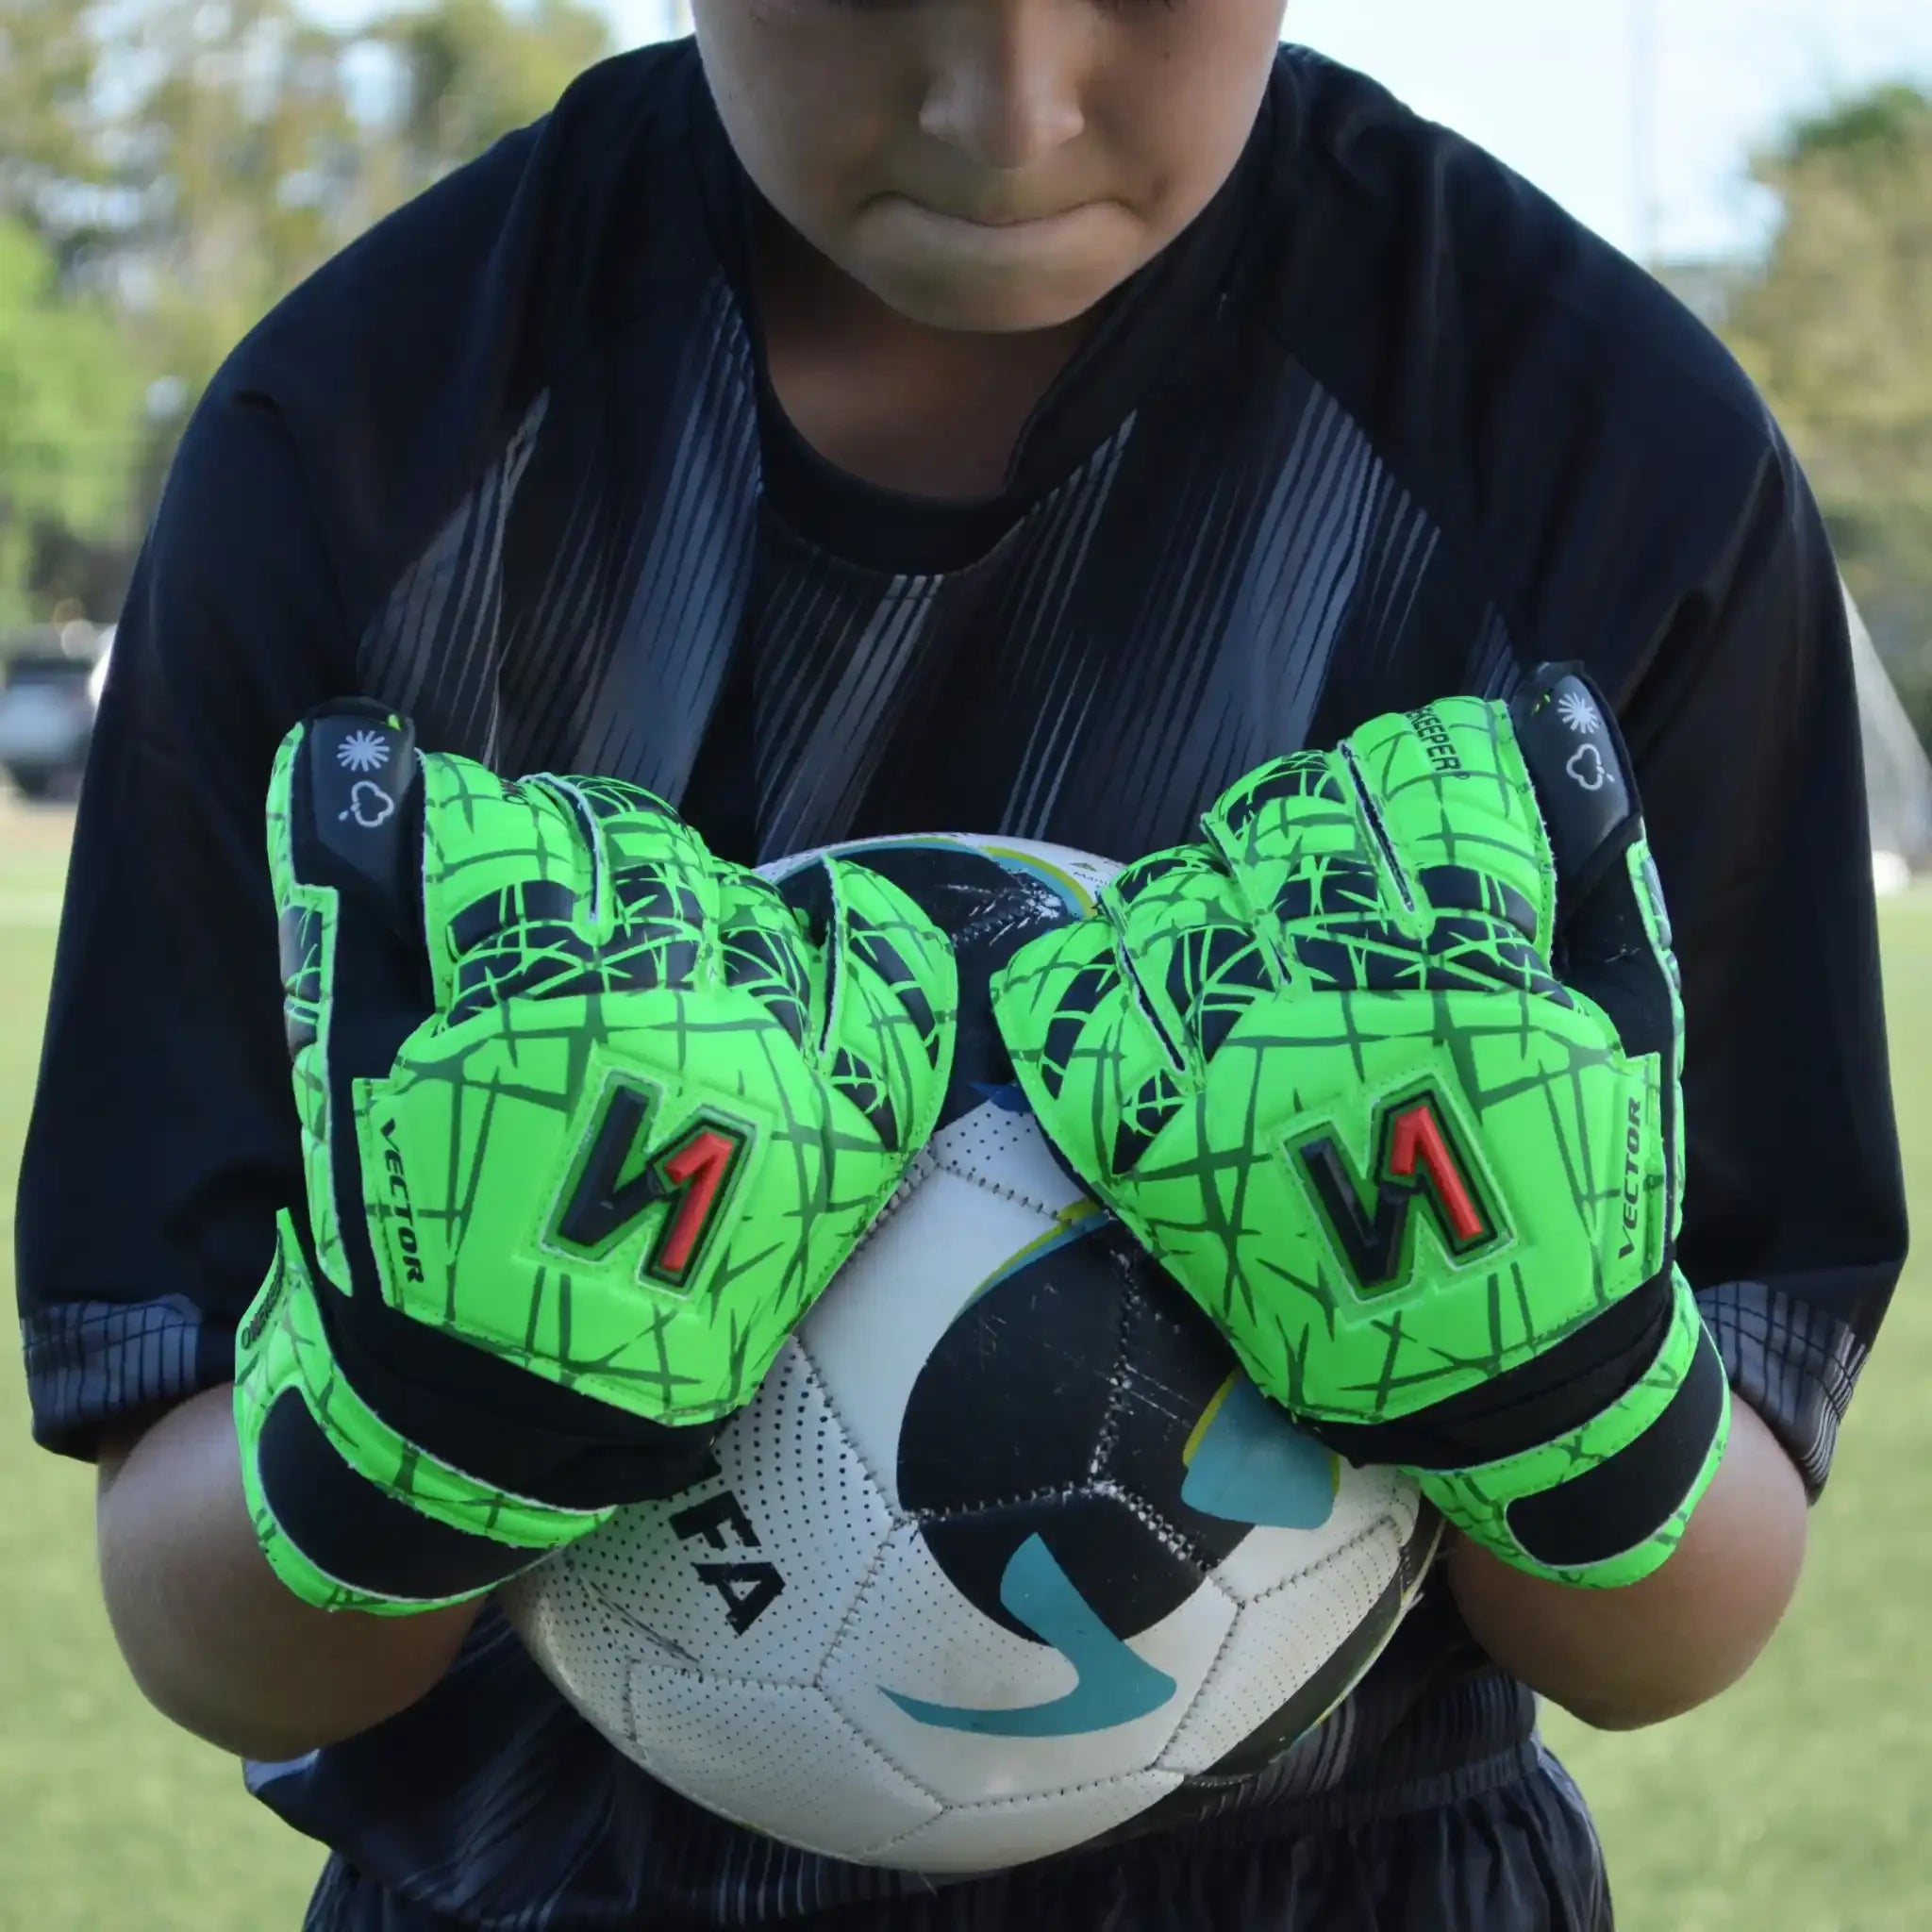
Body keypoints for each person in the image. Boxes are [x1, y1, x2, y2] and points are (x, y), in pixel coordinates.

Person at [15, 4, 1907, 1928]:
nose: (1007, 112)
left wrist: (1546, 1380)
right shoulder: (359, 438)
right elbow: (208, 1633)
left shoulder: (1599, 451)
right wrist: (418, 1424)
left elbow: (1672, 1626)